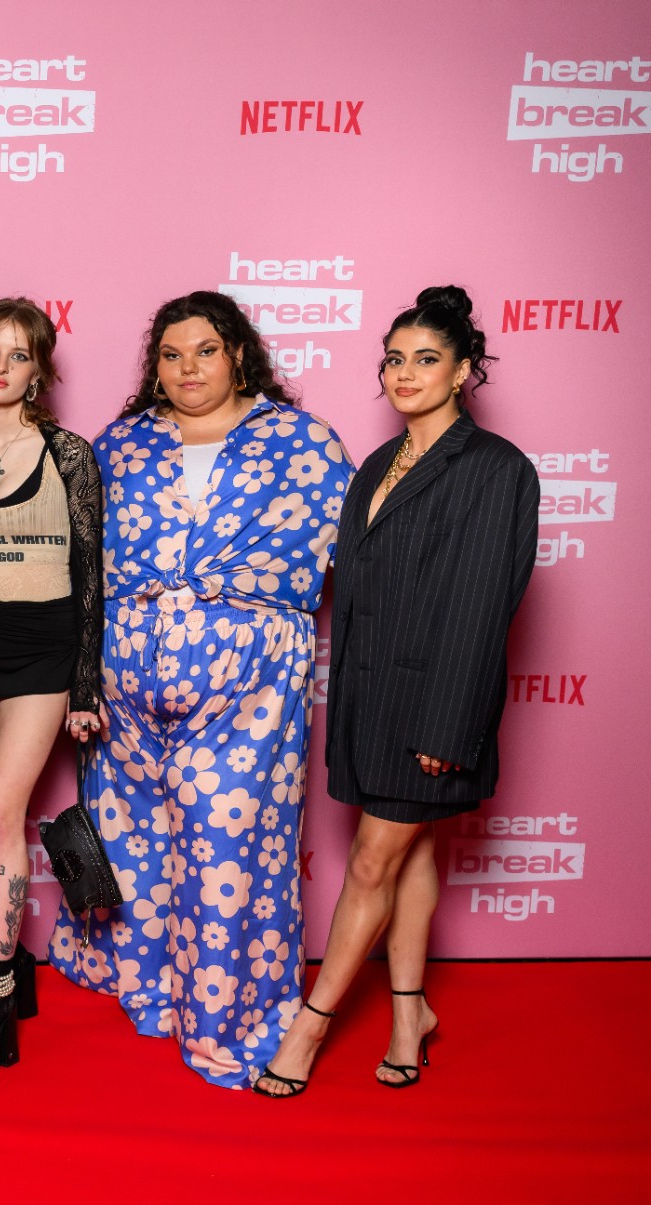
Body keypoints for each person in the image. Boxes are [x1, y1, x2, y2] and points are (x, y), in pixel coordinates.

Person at [48, 290, 352, 1090]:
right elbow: (83, 564)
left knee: (229, 845)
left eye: (205, 351)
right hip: (127, 685)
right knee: (134, 836)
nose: (188, 368)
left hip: (249, 687)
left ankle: (228, 1018)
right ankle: (151, 989)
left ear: (240, 354)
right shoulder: (122, 444)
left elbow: (348, 558)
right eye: (172, 354)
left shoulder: (303, 443)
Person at [254, 287, 538, 1098]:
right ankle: (411, 1014)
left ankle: (310, 1028)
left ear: (463, 371)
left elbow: (482, 607)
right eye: (394, 358)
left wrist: (448, 727)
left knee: (374, 862)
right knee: (413, 857)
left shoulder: (494, 469)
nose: (405, 373)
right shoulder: (377, 464)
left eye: (426, 359)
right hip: (370, 701)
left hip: (432, 710)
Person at [0, 298, 102, 1080]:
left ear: (39, 371)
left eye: (20, 353)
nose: (1, 364)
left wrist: (84, 685)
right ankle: (13, 965)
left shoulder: (68, 453)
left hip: (42, 653)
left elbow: (91, 573)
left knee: (6, 811)